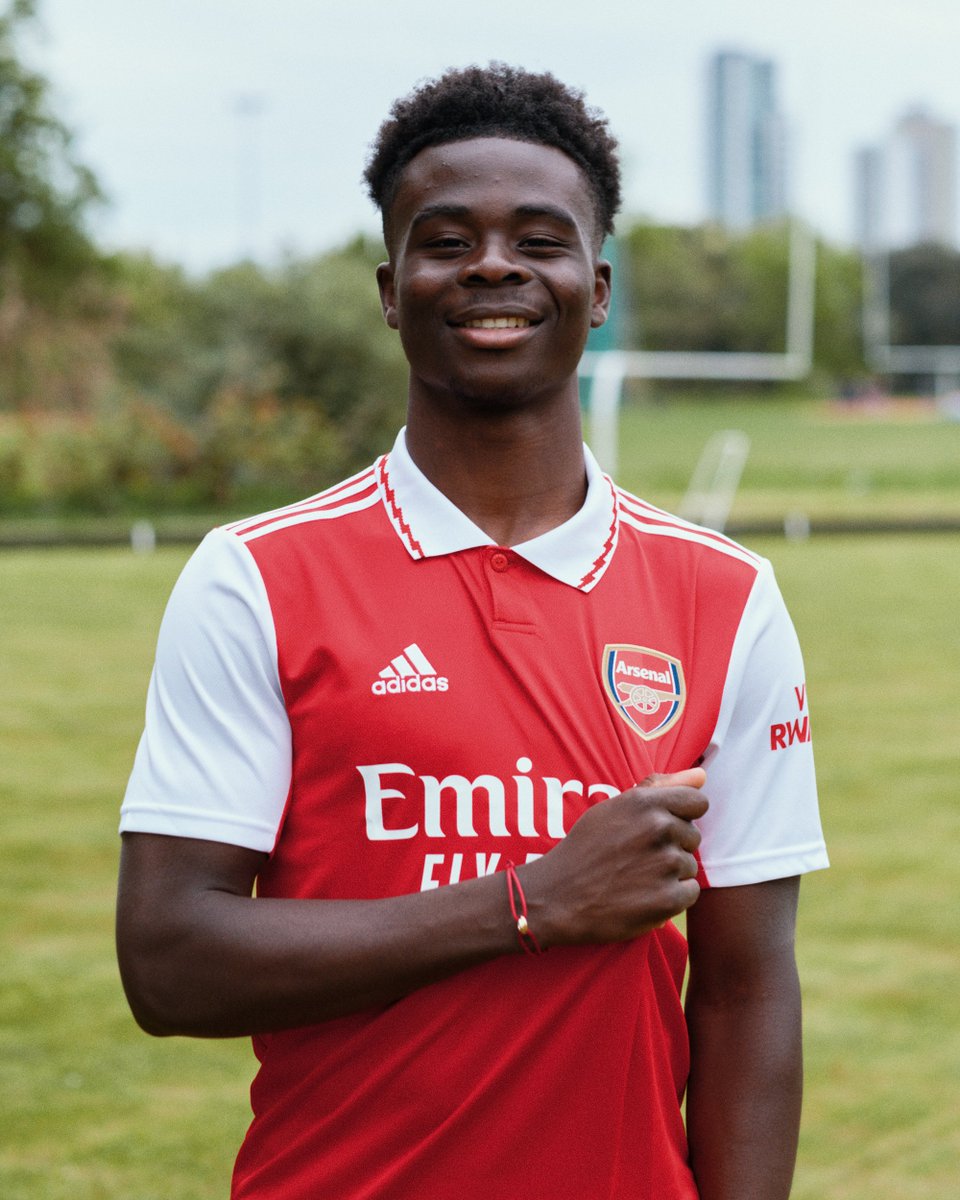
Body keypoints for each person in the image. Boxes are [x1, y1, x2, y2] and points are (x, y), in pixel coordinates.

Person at [117, 63, 828, 1200]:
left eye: (539, 240)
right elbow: (168, 965)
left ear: (597, 288)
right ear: (390, 291)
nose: (493, 264)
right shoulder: (255, 578)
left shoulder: (725, 595)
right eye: (447, 241)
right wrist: (526, 905)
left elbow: (747, 987)